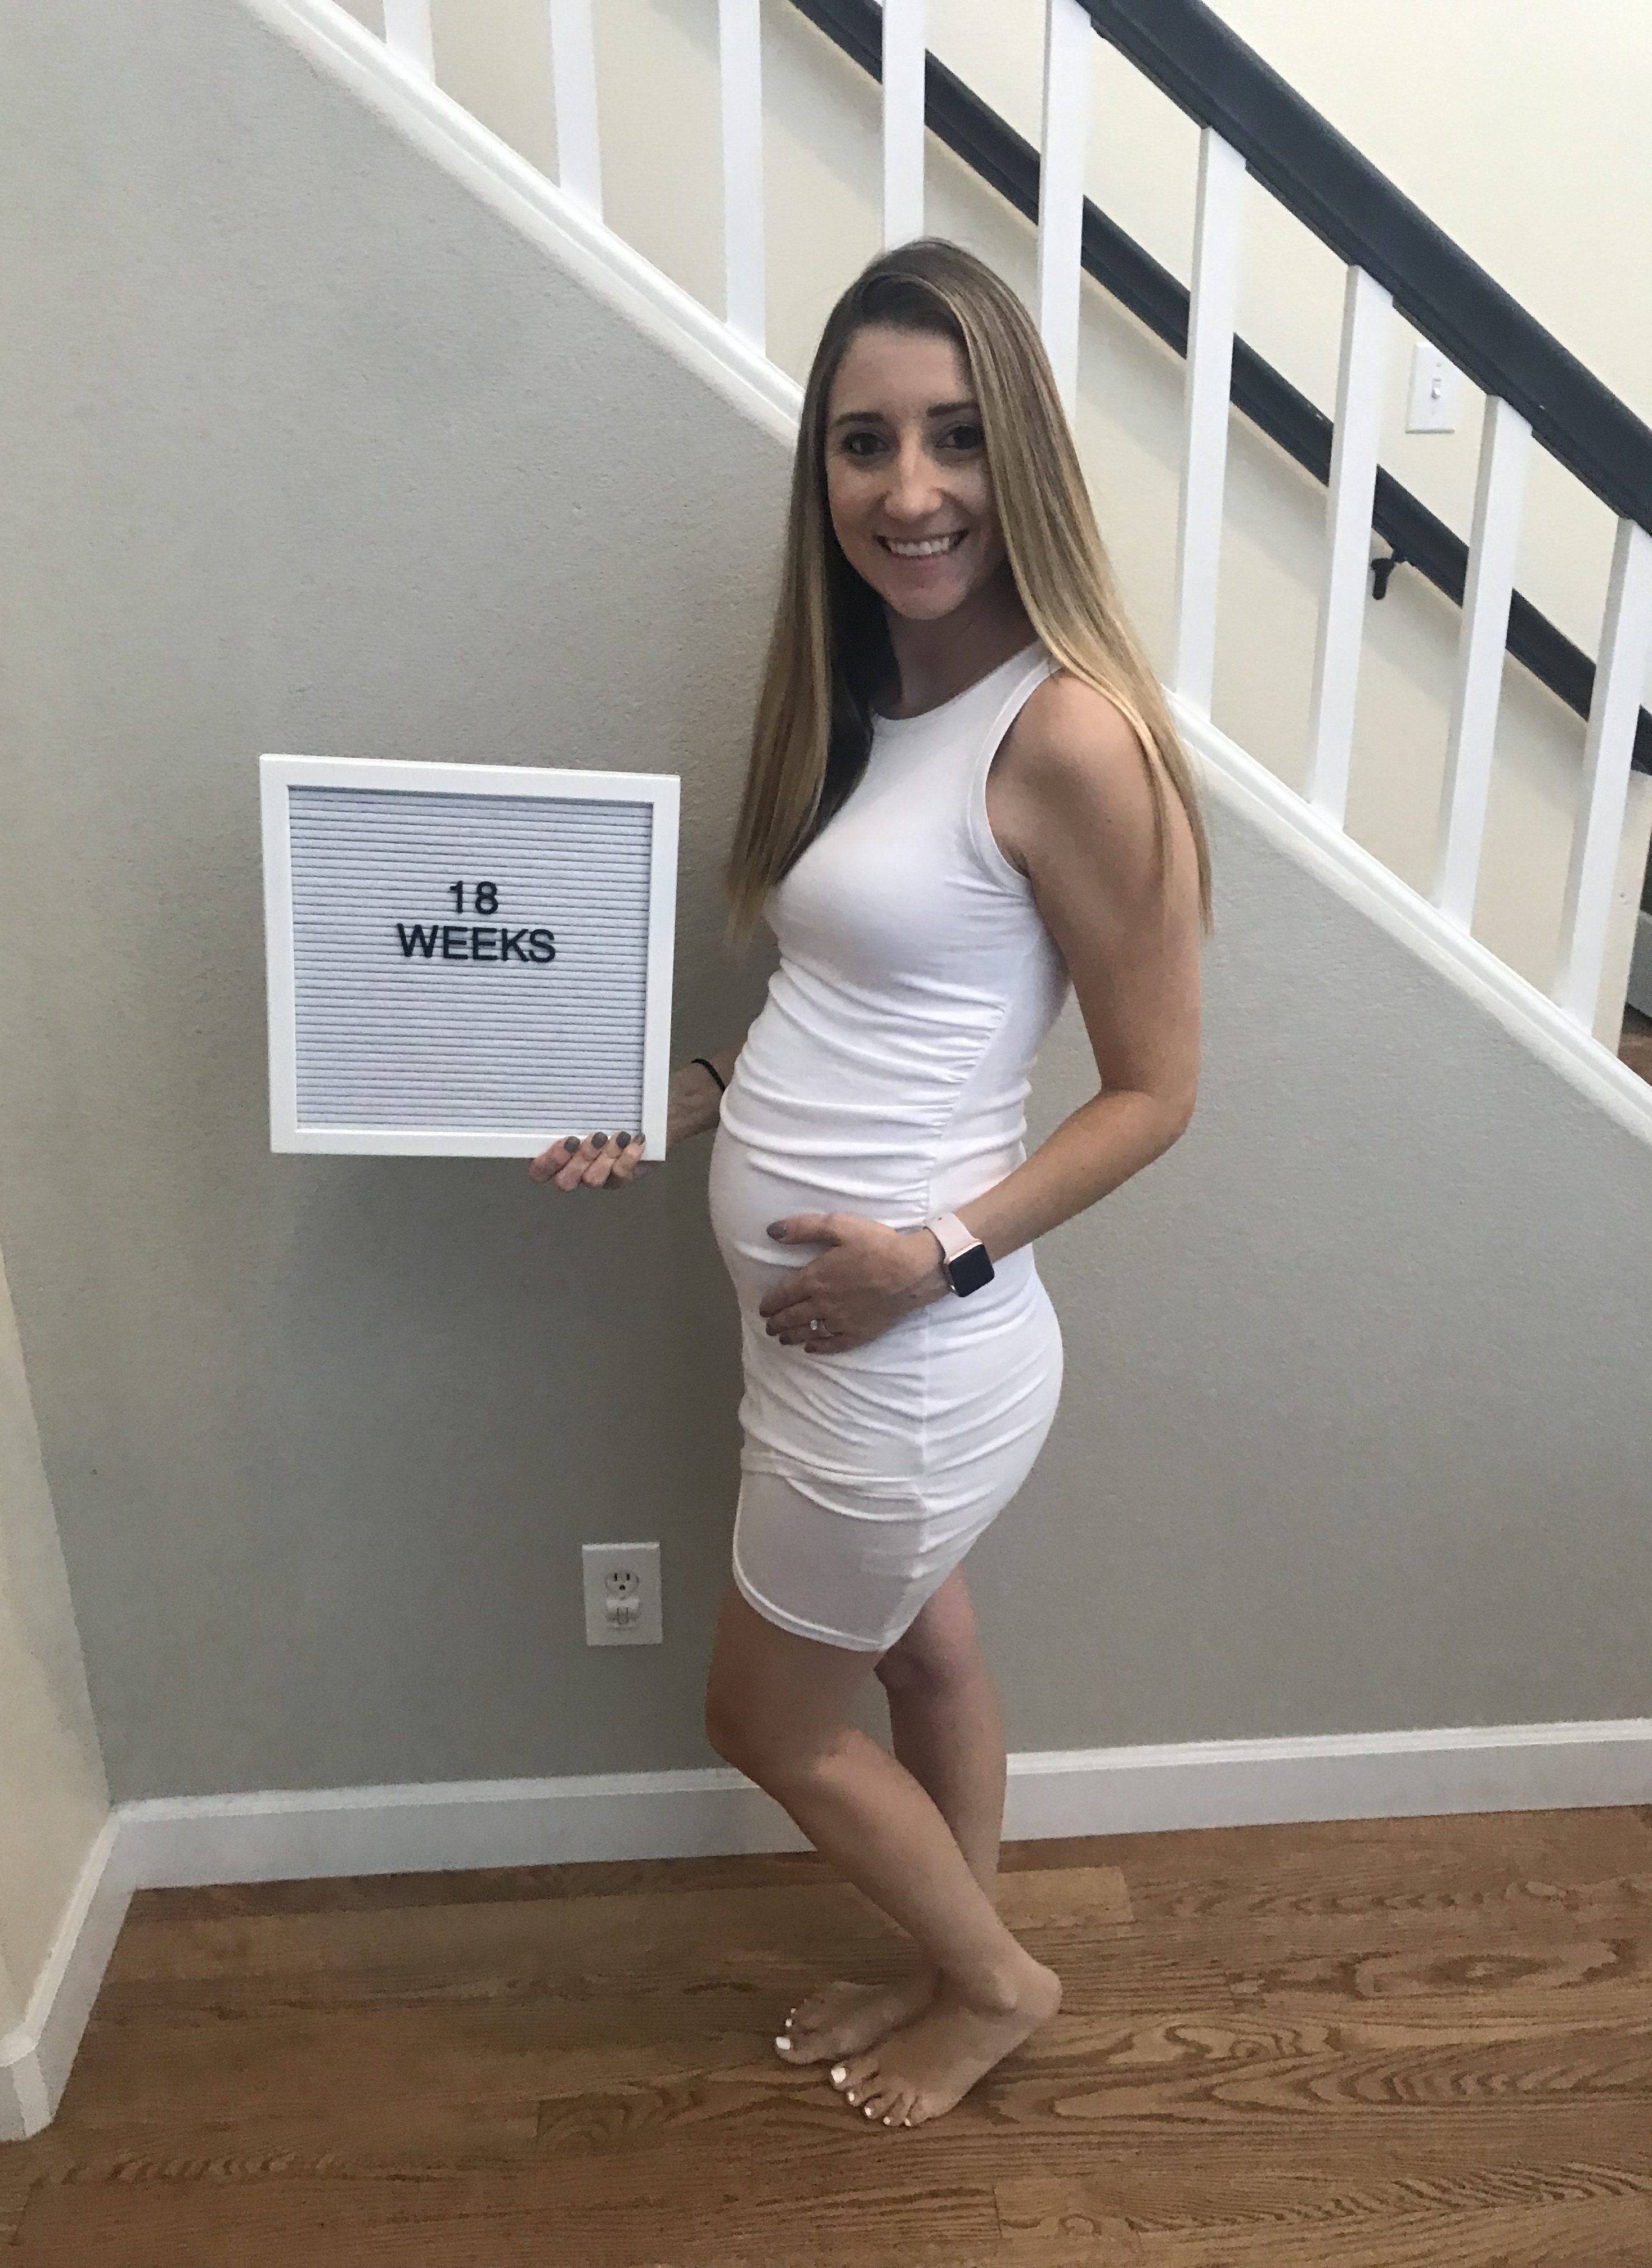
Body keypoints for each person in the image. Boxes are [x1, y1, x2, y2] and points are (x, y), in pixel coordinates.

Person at [530, 239, 1207, 2129]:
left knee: (762, 1718)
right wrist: (688, 1103)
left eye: (958, 436)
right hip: (835, 1341)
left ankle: (996, 1985)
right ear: (821, 470)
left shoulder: (1069, 733)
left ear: (1025, 460)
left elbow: (1158, 1093)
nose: (911, 488)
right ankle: (942, 1950)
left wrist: (936, 1257)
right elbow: (851, 1010)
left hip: (909, 1353)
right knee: (929, 1657)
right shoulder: (868, 709)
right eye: (865, 441)